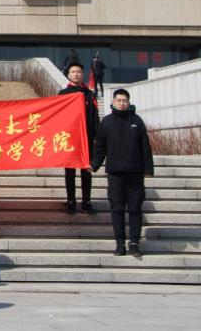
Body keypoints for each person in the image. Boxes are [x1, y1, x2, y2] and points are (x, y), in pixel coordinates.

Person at [91, 88, 154, 256]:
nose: (121, 103)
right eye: (118, 100)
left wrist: (148, 169)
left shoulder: (137, 121)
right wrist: (94, 164)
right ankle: (120, 244)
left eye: (124, 101)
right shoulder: (107, 122)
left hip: (135, 172)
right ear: (113, 102)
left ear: (129, 102)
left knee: (135, 208)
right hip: (115, 173)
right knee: (117, 209)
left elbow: (145, 147)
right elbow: (100, 148)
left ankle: (134, 243)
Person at [59, 60, 99, 214]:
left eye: (79, 72)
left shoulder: (89, 94)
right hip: (69, 138)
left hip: (86, 138)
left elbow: (95, 118)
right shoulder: (63, 94)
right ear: (68, 75)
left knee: (86, 170)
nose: (76, 74)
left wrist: (96, 137)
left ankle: (86, 202)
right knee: (69, 171)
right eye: (73, 72)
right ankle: (71, 201)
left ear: (83, 74)